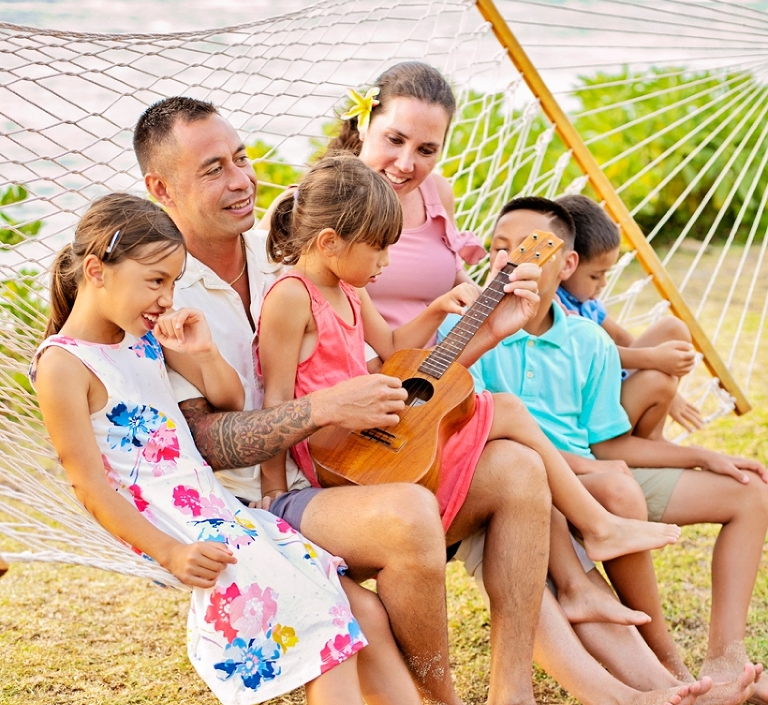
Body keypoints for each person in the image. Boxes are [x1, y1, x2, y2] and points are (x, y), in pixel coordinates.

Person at [32, 193, 548, 705]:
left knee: (361, 615)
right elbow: (90, 488)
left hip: (226, 516)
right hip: (187, 535)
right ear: (97, 270)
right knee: (320, 628)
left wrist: (201, 349)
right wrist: (169, 553)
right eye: (155, 281)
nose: (165, 296)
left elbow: (223, 401)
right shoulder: (63, 366)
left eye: (175, 282)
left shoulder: (142, 338)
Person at [132, 95, 641, 705]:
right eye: (213, 168)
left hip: (355, 464)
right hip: (255, 507)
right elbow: (206, 441)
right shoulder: (157, 291)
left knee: (519, 467)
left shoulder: (288, 245)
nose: (242, 179)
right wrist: (321, 410)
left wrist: (488, 324)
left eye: (243, 158)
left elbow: (371, 360)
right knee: (407, 514)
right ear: (161, 189)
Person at [257, 154, 680, 570]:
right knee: (509, 410)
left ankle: (591, 535)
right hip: (332, 449)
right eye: (378, 250)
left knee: (504, 428)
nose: (385, 263)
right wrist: (276, 492)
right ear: (330, 242)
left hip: (369, 428)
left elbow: (390, 345)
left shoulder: (349, 287)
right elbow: (275, 398)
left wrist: (438, 308)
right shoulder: (292, 297)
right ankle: (599, 525)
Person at [456, 195, 768, 705]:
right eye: (500, 249)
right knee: (584, 524)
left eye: (529, 249)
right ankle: (663, 675)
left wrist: (704, 457)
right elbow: (474, 434)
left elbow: (612, 444)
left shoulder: (589, 342)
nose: (509, 260)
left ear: (566, 264)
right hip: (524, 487)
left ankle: (722, 662)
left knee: (748, 492)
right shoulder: (470, 334)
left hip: (593, 475)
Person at [323, 62, 485, 336]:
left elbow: (452, 277)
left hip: (438, 369)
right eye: (395, 140)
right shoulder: (315, 202)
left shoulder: (436, 192)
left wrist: (500, 293)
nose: (406, 164)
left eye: (426, 150)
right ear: (364, 126)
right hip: (360, 371)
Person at [557, 193, 703, 436]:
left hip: (609, 388)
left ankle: (654, 435)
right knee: (658, 378)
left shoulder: (586, 302)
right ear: (566, 264)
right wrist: (654, 359)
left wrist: (670, 389)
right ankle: (640, 443)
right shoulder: (556, 306)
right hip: (590, 409)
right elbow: (594, 354)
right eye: (595, 275)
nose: (602, 283)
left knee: (672, 329)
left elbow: (620, 337)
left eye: (606, 274)